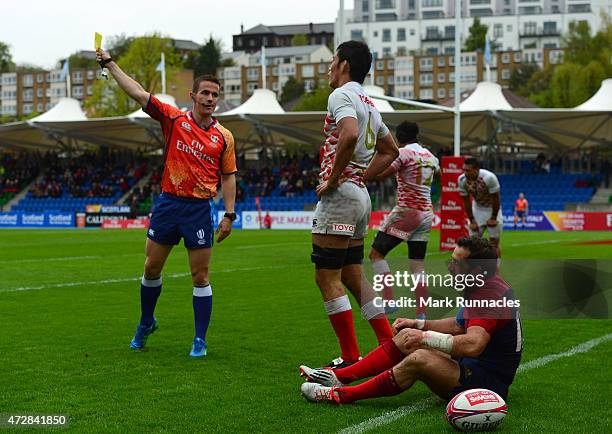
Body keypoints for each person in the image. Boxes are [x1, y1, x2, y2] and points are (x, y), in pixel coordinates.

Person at [95, 48, 237, 357]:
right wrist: (111, 64)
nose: (211, 98)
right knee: (151, 267)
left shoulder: (224, 136)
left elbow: (228, 176)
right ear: (193, 95)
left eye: (215, 94)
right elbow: (138, 93)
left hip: (199, 209)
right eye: (205, 93)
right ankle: (146, 322)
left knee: (200, 275)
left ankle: (200, 339)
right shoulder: (173, 118)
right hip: (168, 204)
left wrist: (229, 214)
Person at [300, 237, 522, 405]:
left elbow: (474, 344)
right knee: (409, 337)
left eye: (457, 263)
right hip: (472, 366)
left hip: (487, 384)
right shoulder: (483, 283)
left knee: (420, 358)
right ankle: (338, 377)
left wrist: (425, 337)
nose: (450, 267)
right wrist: (419, 325)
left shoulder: (488, 295)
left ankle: (340, 395)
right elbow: (458, 326)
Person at [310, 40, 400, 369]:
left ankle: (350, 357)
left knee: (326, 277)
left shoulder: (342, 95)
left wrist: (334, 179)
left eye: (332, 60)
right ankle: (388, 345)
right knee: (352, 275)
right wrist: (361, 175)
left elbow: (347, 135)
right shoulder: (370, 104)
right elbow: (392, 150)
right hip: (359, 199)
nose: (329, 66)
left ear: (344, 64)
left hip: (341, 199)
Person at [368, 121, 439, 318]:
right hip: (426, 215)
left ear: (398, 137)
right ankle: (421, 314)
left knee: (376, 254)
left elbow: (380, 175)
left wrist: (364, 173)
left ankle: (389, 301)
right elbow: (437, 174)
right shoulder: (431, 157)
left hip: (408, 214)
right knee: (417, 264)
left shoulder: (404, 153)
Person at [458, 158, 502, 253]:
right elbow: (466, 201)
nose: (465, 173)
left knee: (494, 242)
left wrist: (493, 217)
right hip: (477, 208)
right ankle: (474, 266)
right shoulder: (462, 180)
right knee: (472, 243)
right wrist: (472, 220)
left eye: (468, 170)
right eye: (464, 170)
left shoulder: (489, 178)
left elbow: (496, 199)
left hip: (492, 208)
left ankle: (494, 267)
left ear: (476, 170)